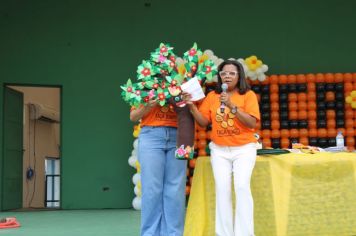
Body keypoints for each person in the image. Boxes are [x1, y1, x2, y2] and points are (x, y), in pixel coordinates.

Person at [183, 59, 260, 236]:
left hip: (244, 148)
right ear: (219, 76)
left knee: (241, 187)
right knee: (222, 190)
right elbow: (203, 122)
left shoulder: (248, 95)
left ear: (239, 76)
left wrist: (232, 105)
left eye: (232, 73)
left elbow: (251, 124)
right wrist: (191, 107)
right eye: (224, 73)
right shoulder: (212, 97)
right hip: (219, 150)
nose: (227, 76)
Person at [130, 98, 187, 236]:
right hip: (151, 135)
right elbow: (133, 116)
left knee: (176, 189)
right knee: (151, 188)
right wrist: (149, 105)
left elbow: (195, 109)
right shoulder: (146, 83)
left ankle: (174, 233)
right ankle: (150, 233)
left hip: (182, 135)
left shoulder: (185, 80)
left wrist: (183, 99)